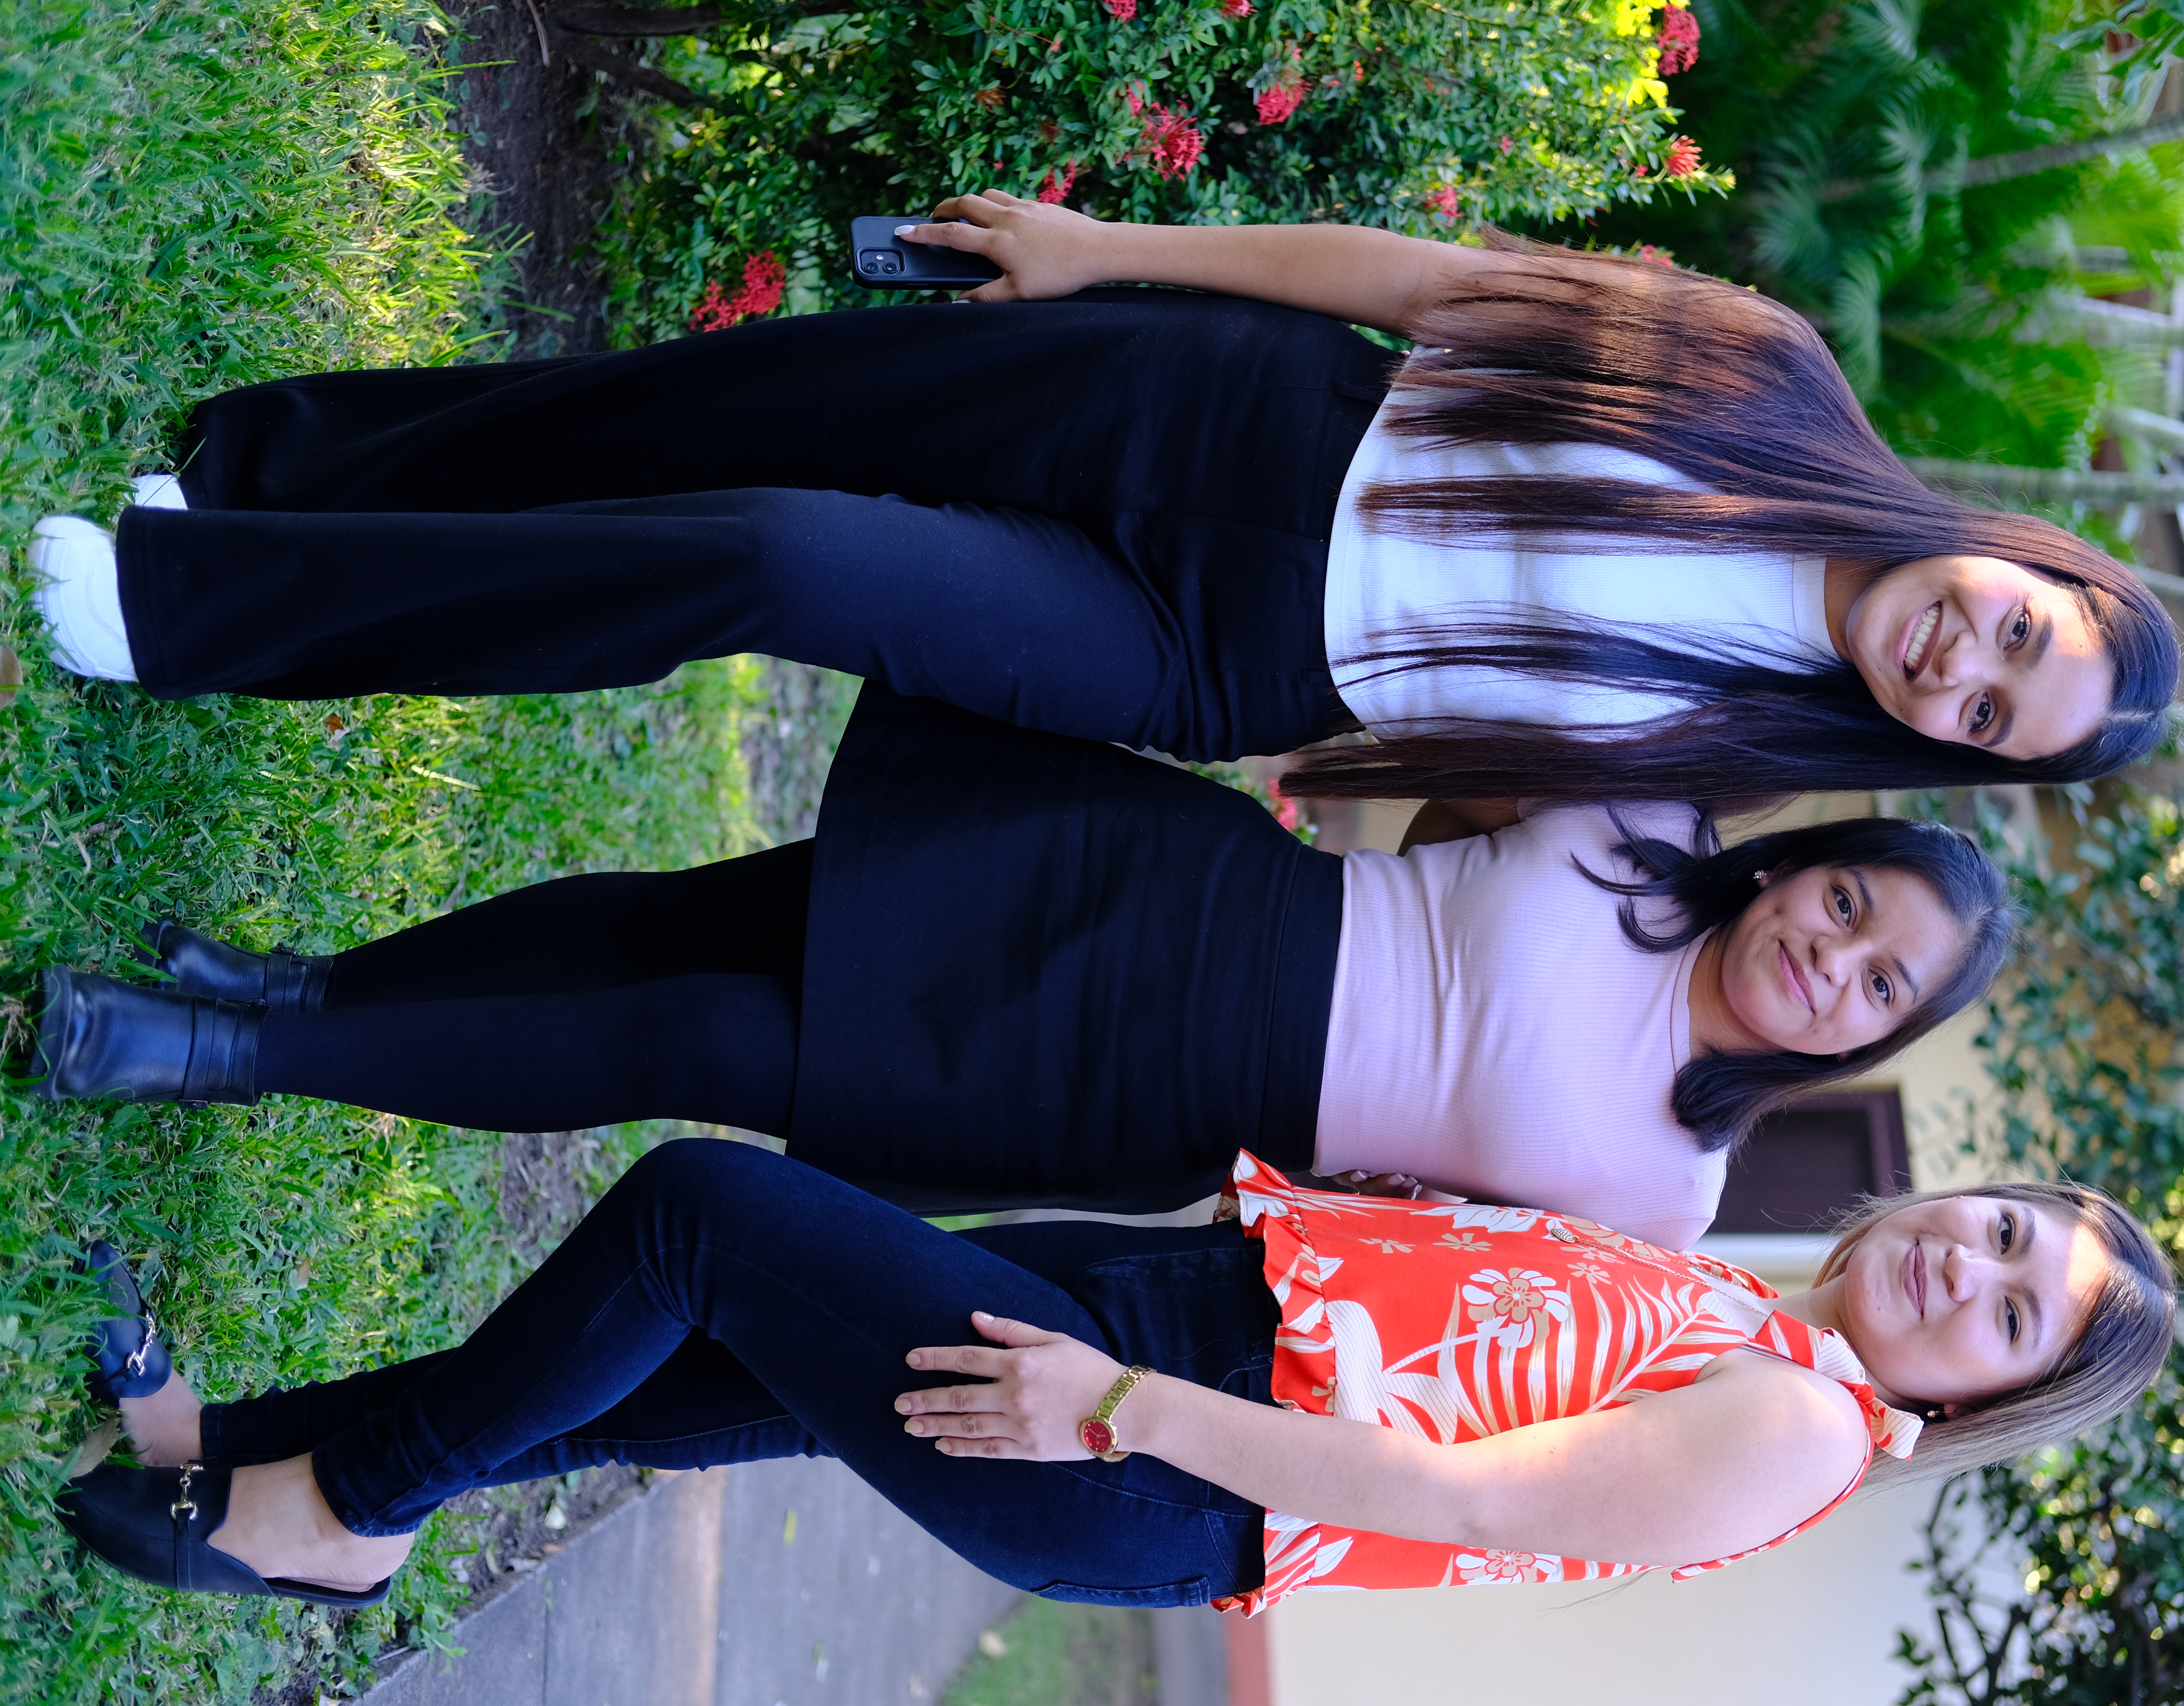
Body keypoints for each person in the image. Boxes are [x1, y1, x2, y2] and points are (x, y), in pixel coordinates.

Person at [28, 195, 2179, 811]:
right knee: (712, 409)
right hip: (1226, 413)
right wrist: (1109, 257)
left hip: (1210, 651)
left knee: (768, 554)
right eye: (2017, 632)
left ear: (1952, 757)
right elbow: (1435, 290)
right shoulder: (1764, 376)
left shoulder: (1722, 768)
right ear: (2022, 557)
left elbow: (1449, 818)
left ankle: (193, 618)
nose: (1963, 667)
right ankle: (254, 477)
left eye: (1993, 717)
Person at [32, 690, 2009, 1248]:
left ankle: (221, 1052)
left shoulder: (1674, 1186)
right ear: (1812, 858)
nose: (1835, 962)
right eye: (1853, 907)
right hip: (1168, 884)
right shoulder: (1635, 825)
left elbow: (1416, 1256)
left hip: (1152, 1090)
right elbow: (1404, 780)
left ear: (1880, 1041)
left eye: (1880, 987)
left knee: (689, 1033)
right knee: (683, 915)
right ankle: (306, 986)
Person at [59, 1142, 2176, 1610]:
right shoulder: (1762, 1318)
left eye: (2006, 1310)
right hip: (1160, 1336)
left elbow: (1469, 1501)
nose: (1960, 1263)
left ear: (1984, 1397)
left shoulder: (1801, 1421)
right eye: (2001, 1228)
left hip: (1173, 1450)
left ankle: (338, 1525)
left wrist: (1128, 1406)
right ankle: (220, 1451)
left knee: (703, 1222)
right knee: (688, 1357)